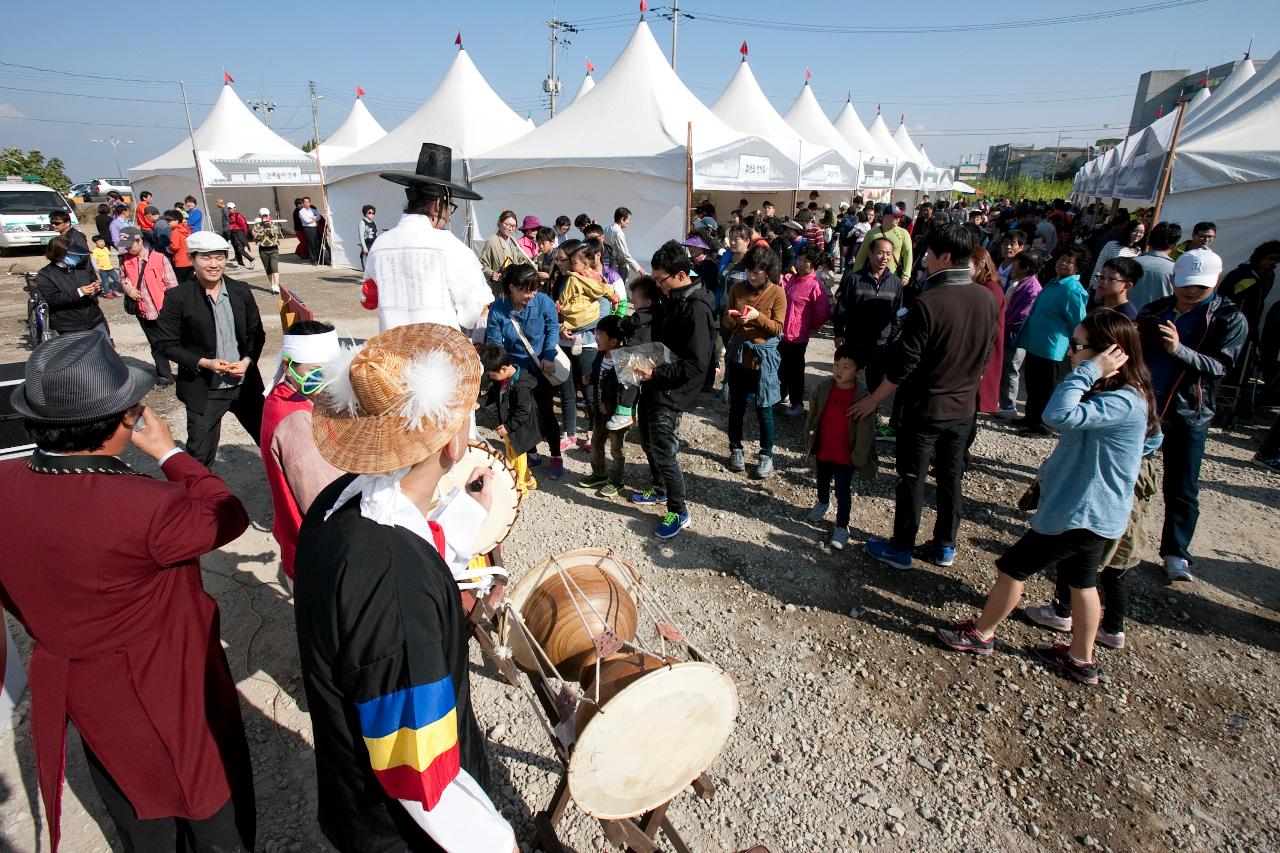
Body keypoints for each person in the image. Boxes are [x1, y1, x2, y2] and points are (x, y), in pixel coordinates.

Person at [0, 331, 255, 852]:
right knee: (207, 805)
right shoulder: (147, 508)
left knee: (132, 805)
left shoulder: (6, 483)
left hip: (83, 685)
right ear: (122, 422)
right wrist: (169, 454)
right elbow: (227, 512)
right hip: (166, 685)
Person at [294, 324, 517, 853]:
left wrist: (466, 512)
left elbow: (408, 538)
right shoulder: (393, 586)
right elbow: (421, 770)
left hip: (354, 785)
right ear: (456, 438)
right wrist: (494, 842)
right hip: (403, 828)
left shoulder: (336, 503)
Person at [936, 310, 1162, 685]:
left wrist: (1088, 371)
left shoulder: (1121, 400)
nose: (1070, 354)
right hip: (1100, 512)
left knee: (1012, 568)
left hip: (1079, 512)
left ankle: (981, 634)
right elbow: (1153, 439)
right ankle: (1079, 659)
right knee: (1082, 581)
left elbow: (1055, 415)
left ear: (1110, 354)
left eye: (1077, 347)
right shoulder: (1133, 395)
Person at [852, 223, 998, 571]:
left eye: (929, 254)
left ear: (945, 256)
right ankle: (945, 546)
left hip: (925, 409)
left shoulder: (929, 302)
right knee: (950, 479)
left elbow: (905, 365)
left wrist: (874, 399)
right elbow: (987, 353)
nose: (924, 261)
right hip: (964, 409)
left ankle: (901, 548)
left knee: (912, 480)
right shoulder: (988, 298)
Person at [1138, 248, 1247, 582]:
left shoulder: (1229, 318)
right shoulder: (1156, 310)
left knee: (1182, 486)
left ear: (1214, 282)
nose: (1190, 291)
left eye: (1199, 287)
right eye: (1185, 284)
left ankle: (1175, 552)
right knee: (1127, 474)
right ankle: (1111, 536)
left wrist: (1178, 350)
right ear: (1173, 280)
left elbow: (1220, 366)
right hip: (1145, 407)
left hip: (1190, 412)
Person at [156, 232, 266, 468]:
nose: (214, 264)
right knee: (199, 456)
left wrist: (247, 361)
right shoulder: (178, 297)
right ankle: (198, 501)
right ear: (191, 259)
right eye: (206, 258)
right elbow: (165, 344)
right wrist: (204, 362)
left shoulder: (240, 290)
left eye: (220, 257)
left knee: (270, 441)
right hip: (205, 388)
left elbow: (256, 333)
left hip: (245, 384)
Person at [360, 144, 493, 333]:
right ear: (438, 205)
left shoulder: (380, 244)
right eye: (450, 208)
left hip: (391, 357)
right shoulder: (449, 245)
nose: (449, 216)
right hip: (438, 355)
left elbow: (368, 298)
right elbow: (477, 306)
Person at [631, 240, 715, 538]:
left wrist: (656, 371)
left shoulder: (696, 308)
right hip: (655, 380)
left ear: (680, 274)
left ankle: (679, 511)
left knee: (665, 451)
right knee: (647, 442)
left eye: (659, 280)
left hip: (672, 389)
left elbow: (696, 364)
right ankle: (660, 488)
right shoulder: (674, 297)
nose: (657, 286)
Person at [259, 320, 344, 588]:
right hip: (318, 552)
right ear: (288, 367)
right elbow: (325, 499)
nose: (323, 381)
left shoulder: (282, 397)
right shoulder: (296, 422)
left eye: (330, 371)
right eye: (314, 372)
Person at [485, 264, 566, 479]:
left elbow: (552, 329)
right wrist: (503, 368)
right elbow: (494, 341)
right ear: (512, 288)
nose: (531, 295)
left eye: (534, 290)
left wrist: (548, 355)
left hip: (540, 366)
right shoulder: (498, 309)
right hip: (513, 371)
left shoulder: (543, 302)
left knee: (546, 412)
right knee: (518, 412)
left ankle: (556, 455)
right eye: (526, 290)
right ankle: (530, 452)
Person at [804, 345, 878, 550]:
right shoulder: (824, 388)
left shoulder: (863, 398)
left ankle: (842, 526)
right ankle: (822, 503)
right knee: (822, 480)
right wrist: (809, 438)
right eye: (836, 365)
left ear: (859, 371)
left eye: (846, 367)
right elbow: (813, 417)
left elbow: (866, 432)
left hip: (846, 455)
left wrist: (860, 456)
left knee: (843, 491)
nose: (839, 370)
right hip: (825, 449)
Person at [723, 245, 787, 479]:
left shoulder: (777, 292)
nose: (752, 275)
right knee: (737, 406)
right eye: (750, 270)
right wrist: (732, 319)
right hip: (740, 356)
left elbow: (778, 328)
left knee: (764, 408)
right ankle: (735, 449)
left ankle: (766, 455)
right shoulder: (737, 288)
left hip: (763, 359)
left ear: (768, 271)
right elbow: (725, 320)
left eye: (758, 272)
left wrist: (757, 317)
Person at [1015, 246, 1090, 434]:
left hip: (1052, 346)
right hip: (1036, 341)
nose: (1063, 263)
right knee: (1032, 383)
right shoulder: (1055, 282)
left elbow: (1077, 320)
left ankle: (1042, 425)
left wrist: (1077, 346)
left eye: (1069, 261)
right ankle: (1030, 417)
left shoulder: (1073, 289)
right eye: (1061, 259)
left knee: (1045, 387)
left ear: (1077, 267)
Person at [831, 235, 904, 422]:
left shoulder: (895, 283)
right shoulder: (854, 279)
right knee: (849, 377)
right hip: (856, 339)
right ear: (870, 254)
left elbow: (897, 315)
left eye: (889, 253)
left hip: (881, 343)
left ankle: (872, 414)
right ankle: (844, 410)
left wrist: (892, 340)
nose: (884, 257)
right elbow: (842, 309)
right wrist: (839, 333)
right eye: (880, 252)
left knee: (875, 381)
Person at [577, 313, 631, 496]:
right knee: (596, 443)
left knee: (617, 449)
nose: (596, 338)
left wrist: (609, 405)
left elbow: (624, 390)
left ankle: (617, 480)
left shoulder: (623, 360)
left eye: (600, 335)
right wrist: (590, 379)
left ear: (614, 341)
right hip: (599, 412)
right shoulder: (600, 355)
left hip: (616, 414)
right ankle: (599, 474)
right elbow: (600, 377)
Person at [118, 226, 178, 388]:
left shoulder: (159, 258)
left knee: (176, 343)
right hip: (143, 311)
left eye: (130, 244)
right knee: (156, 345)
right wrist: (128, 289)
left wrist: (173, 310)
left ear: (140, 240)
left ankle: (190, 373)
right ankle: (165, 376)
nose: (128, 248)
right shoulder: (124, 260)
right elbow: (123, 280)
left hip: (164, 311)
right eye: (125, 245)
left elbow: (172, 286)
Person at [479, 343, 540, 494]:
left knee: (515, 457)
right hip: (510, 427)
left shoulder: (521, 387)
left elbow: (522, 412)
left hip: (519, 430)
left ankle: (519, 488)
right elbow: (493, 395)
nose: (492, 378)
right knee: (513, 454)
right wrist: (479, 403)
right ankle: (528, 480)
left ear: (504, 369)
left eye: (493, 375)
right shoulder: (503, 379)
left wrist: (508, 427)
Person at [779, 245, 832, 415]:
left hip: (798, 336)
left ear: (814, 264)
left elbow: (822, 312)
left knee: (795, 371)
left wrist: (810, 327)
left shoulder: (815, 286)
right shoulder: (792, 279)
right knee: (782, 366)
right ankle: (782, 395)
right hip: (783, 333)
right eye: (799, 260)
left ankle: (797, 404)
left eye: (806, 261)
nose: (801, 264)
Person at [996, 250, 1044, 419]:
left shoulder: (1032, 288)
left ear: (1025, 268)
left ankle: (1009, 406)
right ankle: (1003, 403)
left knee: (1011, 370)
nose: (1013, 266)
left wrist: (1001, 327)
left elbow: (1021, 318)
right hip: (1009, 333)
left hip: (1015, 337)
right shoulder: (1021, 283)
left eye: (1016, 263)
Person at [35, 235, 107, 336]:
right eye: (73, 255)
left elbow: (92, 282)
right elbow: (52, 299)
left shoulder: (81, 268)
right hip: (69, 325)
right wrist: (80, 292)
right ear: (59, 254)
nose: (77, 257)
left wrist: (96, 289)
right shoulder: (45, 275)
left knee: (104, 349)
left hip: (94, 319)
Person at [1219, 240, 1280, 340]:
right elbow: (1223, 297)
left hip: (1252, 322)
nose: (1273, 262)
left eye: (1277, 259)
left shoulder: (1270, 275)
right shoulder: (1240, 274)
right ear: (1260, 257)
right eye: (1270, 258)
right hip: (1231, 321)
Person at [1132, 221, 1180, 312]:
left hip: (1123, 320)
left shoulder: (1128, 263)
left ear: (1149, 241)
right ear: (1174, 246)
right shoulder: (1176, 270)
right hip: (1157, 321)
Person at [853, 206, 913, 279]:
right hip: (872, 275)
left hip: (892, 276)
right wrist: (855, 273)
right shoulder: (871, 233)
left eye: (900, 216)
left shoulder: (903, 233)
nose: (898, 219)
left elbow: (908, 254)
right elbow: (862, 254)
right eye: (896, 216)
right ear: (886, 217)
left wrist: (906, 275)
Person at [478, 210, 527, 289]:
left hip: (514, 286)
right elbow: (483, 264)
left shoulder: (513, 241)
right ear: (500, 223)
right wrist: (491, 274)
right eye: (507, 224)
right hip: (499, 287)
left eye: (513, 226)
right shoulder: (492, 241)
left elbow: (521, 259)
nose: (510, 228)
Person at [1091, 219, 1146, 288]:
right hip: (1104, 286)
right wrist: (1094, 287)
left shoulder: (1138, 253)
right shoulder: (1111, 245)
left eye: (1141, 232)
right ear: (1128, 230)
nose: (1138, 234)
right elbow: (1099, 266)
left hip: (1120, 291)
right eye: (1135, 231)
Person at [1093, 256, 1141, 320]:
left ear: (1127, 286)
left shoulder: (1127, 317)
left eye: (1111, 279)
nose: (1102, 281)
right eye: (1101, 277)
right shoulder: (1096, 305)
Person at [606, 206, 645, 279]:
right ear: (622, 219)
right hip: (616, 267)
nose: (629, 222)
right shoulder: (618, 233)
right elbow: (625, 254)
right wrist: (639, 269)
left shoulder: (607, 229)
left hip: (607, 264)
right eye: (628, 219)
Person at [252, 208, 284, 294]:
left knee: (274, 267)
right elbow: (256, 236)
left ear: (269, 215)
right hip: (263, 249)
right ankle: (272, 285)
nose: (265, 217)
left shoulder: (273, 224)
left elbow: (273, 233)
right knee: (268, 268)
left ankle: (277, 286)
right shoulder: (257, 225)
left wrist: (268, 227)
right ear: (260, 216)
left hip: (273, 248)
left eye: (266, 216)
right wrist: (263, 229)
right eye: (263, 216)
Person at [163, 208, 194, 281]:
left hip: (180, 261)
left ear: (177, 220)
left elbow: (175, 247)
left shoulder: (175, 231)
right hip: (190, 260)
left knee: (182, 283)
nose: (168, 222)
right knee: (190, 281)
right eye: (167, 220)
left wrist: (168, 248)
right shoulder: (186, 229)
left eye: (169, 220)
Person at [90, 234, 121, 299]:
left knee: (117, 279)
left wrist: (119, 253)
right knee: (105, 282)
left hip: (110, 268)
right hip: (102, 270)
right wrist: (96, 268)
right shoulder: (95, 251)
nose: (102, 243)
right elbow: (93, 261)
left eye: (103, 242)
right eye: (100, 242)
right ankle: (107, 293)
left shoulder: (105, 248)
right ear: (96, 243)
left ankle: (114, 290)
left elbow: (110, 254)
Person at [225, 202, 254, 269]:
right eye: (229, 208)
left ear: (235, 208)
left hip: (239, 234)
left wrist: (244, 236)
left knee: (240, 249)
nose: (230, 210)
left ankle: (251, 259)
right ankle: (241, 264)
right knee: (236, 250)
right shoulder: (229, 216)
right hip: (233, 234)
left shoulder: (238, 216)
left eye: (231, 208)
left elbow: (244, 226)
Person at [296, 195, 321, 263]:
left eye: (308, 202)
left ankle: (318, 258)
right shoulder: (301, 211)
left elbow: (318, 216)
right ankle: (313, 259)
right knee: (311, 243)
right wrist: (313, 219)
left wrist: (314, 218)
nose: (307, 203)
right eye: (305, 202)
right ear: (303, 203)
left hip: (315, 227)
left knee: (316, 243)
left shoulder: (312, 210)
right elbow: (306, 221)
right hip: (308, 228)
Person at [358, 204, 378, 270]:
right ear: (365, 213)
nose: (372, 214)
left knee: (374, 263)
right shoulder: (362, 222)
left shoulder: (373, 222)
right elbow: (361, 236)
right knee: (367, 264)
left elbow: (376, 233)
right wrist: (364, 247)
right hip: (367, 245)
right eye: (369, 212)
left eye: (373, 213)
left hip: (374, 244)